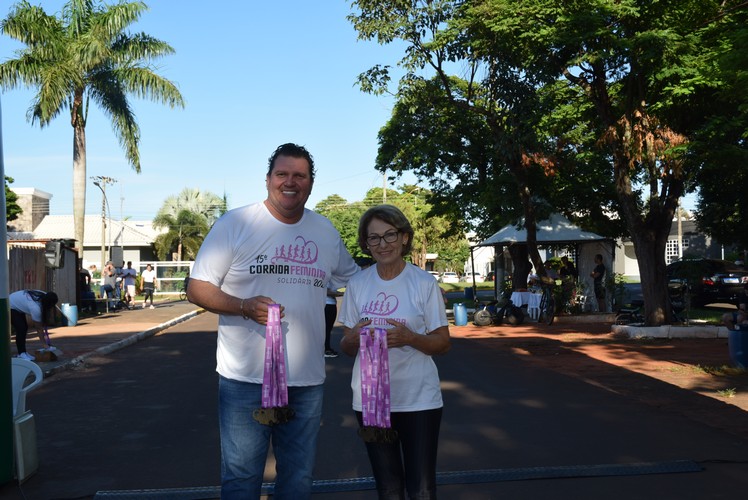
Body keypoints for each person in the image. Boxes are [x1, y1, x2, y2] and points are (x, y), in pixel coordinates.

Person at [186, 143, 359, 499]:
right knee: (241, 479)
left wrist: (405, 285)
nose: (290, 182)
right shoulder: (235, 224)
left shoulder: (325, 232)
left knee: (298, 479)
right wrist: (243, 305)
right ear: (268, 180)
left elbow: (355, 281)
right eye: (282, 174)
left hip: (306, 381)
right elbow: (197, 287)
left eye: (300, 175)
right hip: (244, 379)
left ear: (311, 184)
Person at [338, 204, 451, 499]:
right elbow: (346, 346)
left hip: (418, 400)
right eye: (373, 238)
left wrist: (410, 338)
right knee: (388, 487)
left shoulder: (424, 283)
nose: (382, 244)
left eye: (389, 235)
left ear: (404, 237)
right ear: (366, 243)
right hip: (370, 400)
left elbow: (442, 343)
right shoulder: (358, 284)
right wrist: (355, 339)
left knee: (422, 487)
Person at [10, 290, 59, 361]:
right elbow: (39, 328)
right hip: (10, 305)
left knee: (24, 328)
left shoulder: (45, 295)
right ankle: (21, 354)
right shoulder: (35, 307)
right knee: (21, 328)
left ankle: (24, 353)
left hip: (17, 303)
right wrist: (44, 345)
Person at [324, 286, 343, 358]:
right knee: (326, 328)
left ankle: (327, 347)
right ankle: (325, 349)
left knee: (328, 328)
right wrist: (340, 293)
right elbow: (326, 291)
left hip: (331, 304)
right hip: (327, 304)